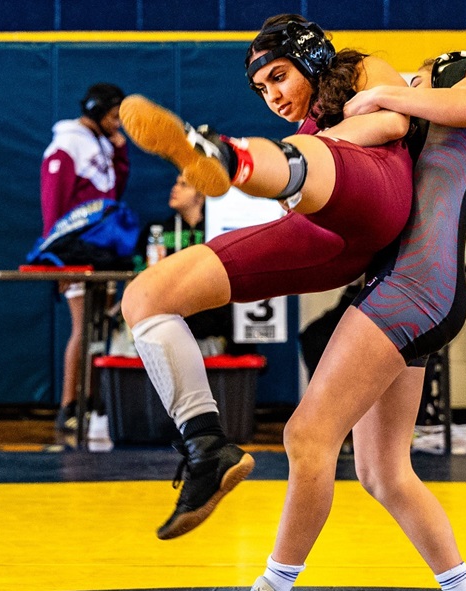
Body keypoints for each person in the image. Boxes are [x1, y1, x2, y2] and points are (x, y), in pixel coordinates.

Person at [184, 50, 466, 591]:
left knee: (308, 436)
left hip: (412, 288)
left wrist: (384, 97)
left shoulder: (449, 80)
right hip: (418, 289)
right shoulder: (414, 119)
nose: (388, 88)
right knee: (383, 471)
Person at [119, 15, 413, 541]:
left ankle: (225, 154)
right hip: (326, 237)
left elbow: (393, 124)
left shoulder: (361, 69)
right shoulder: (302, 140)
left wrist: (312, 148)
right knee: (145, 297)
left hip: (379, 201)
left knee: (311, 155)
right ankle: (206, 445)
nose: (272, 95)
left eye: (279, 77)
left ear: (311, 58)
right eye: (261, 89)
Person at [40, 82, 129, 432]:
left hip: (101, 248)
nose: (118, 122)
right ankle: (69, 403)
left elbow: (115, 191)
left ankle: (91, 399)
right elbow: (53, 205)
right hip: (76, 250)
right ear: (95, 111)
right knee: (82, 326)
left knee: (98, 327)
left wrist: (120, 154)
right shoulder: (66, 144)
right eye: (113, 115)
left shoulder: (101, 144)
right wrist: (57, 258)